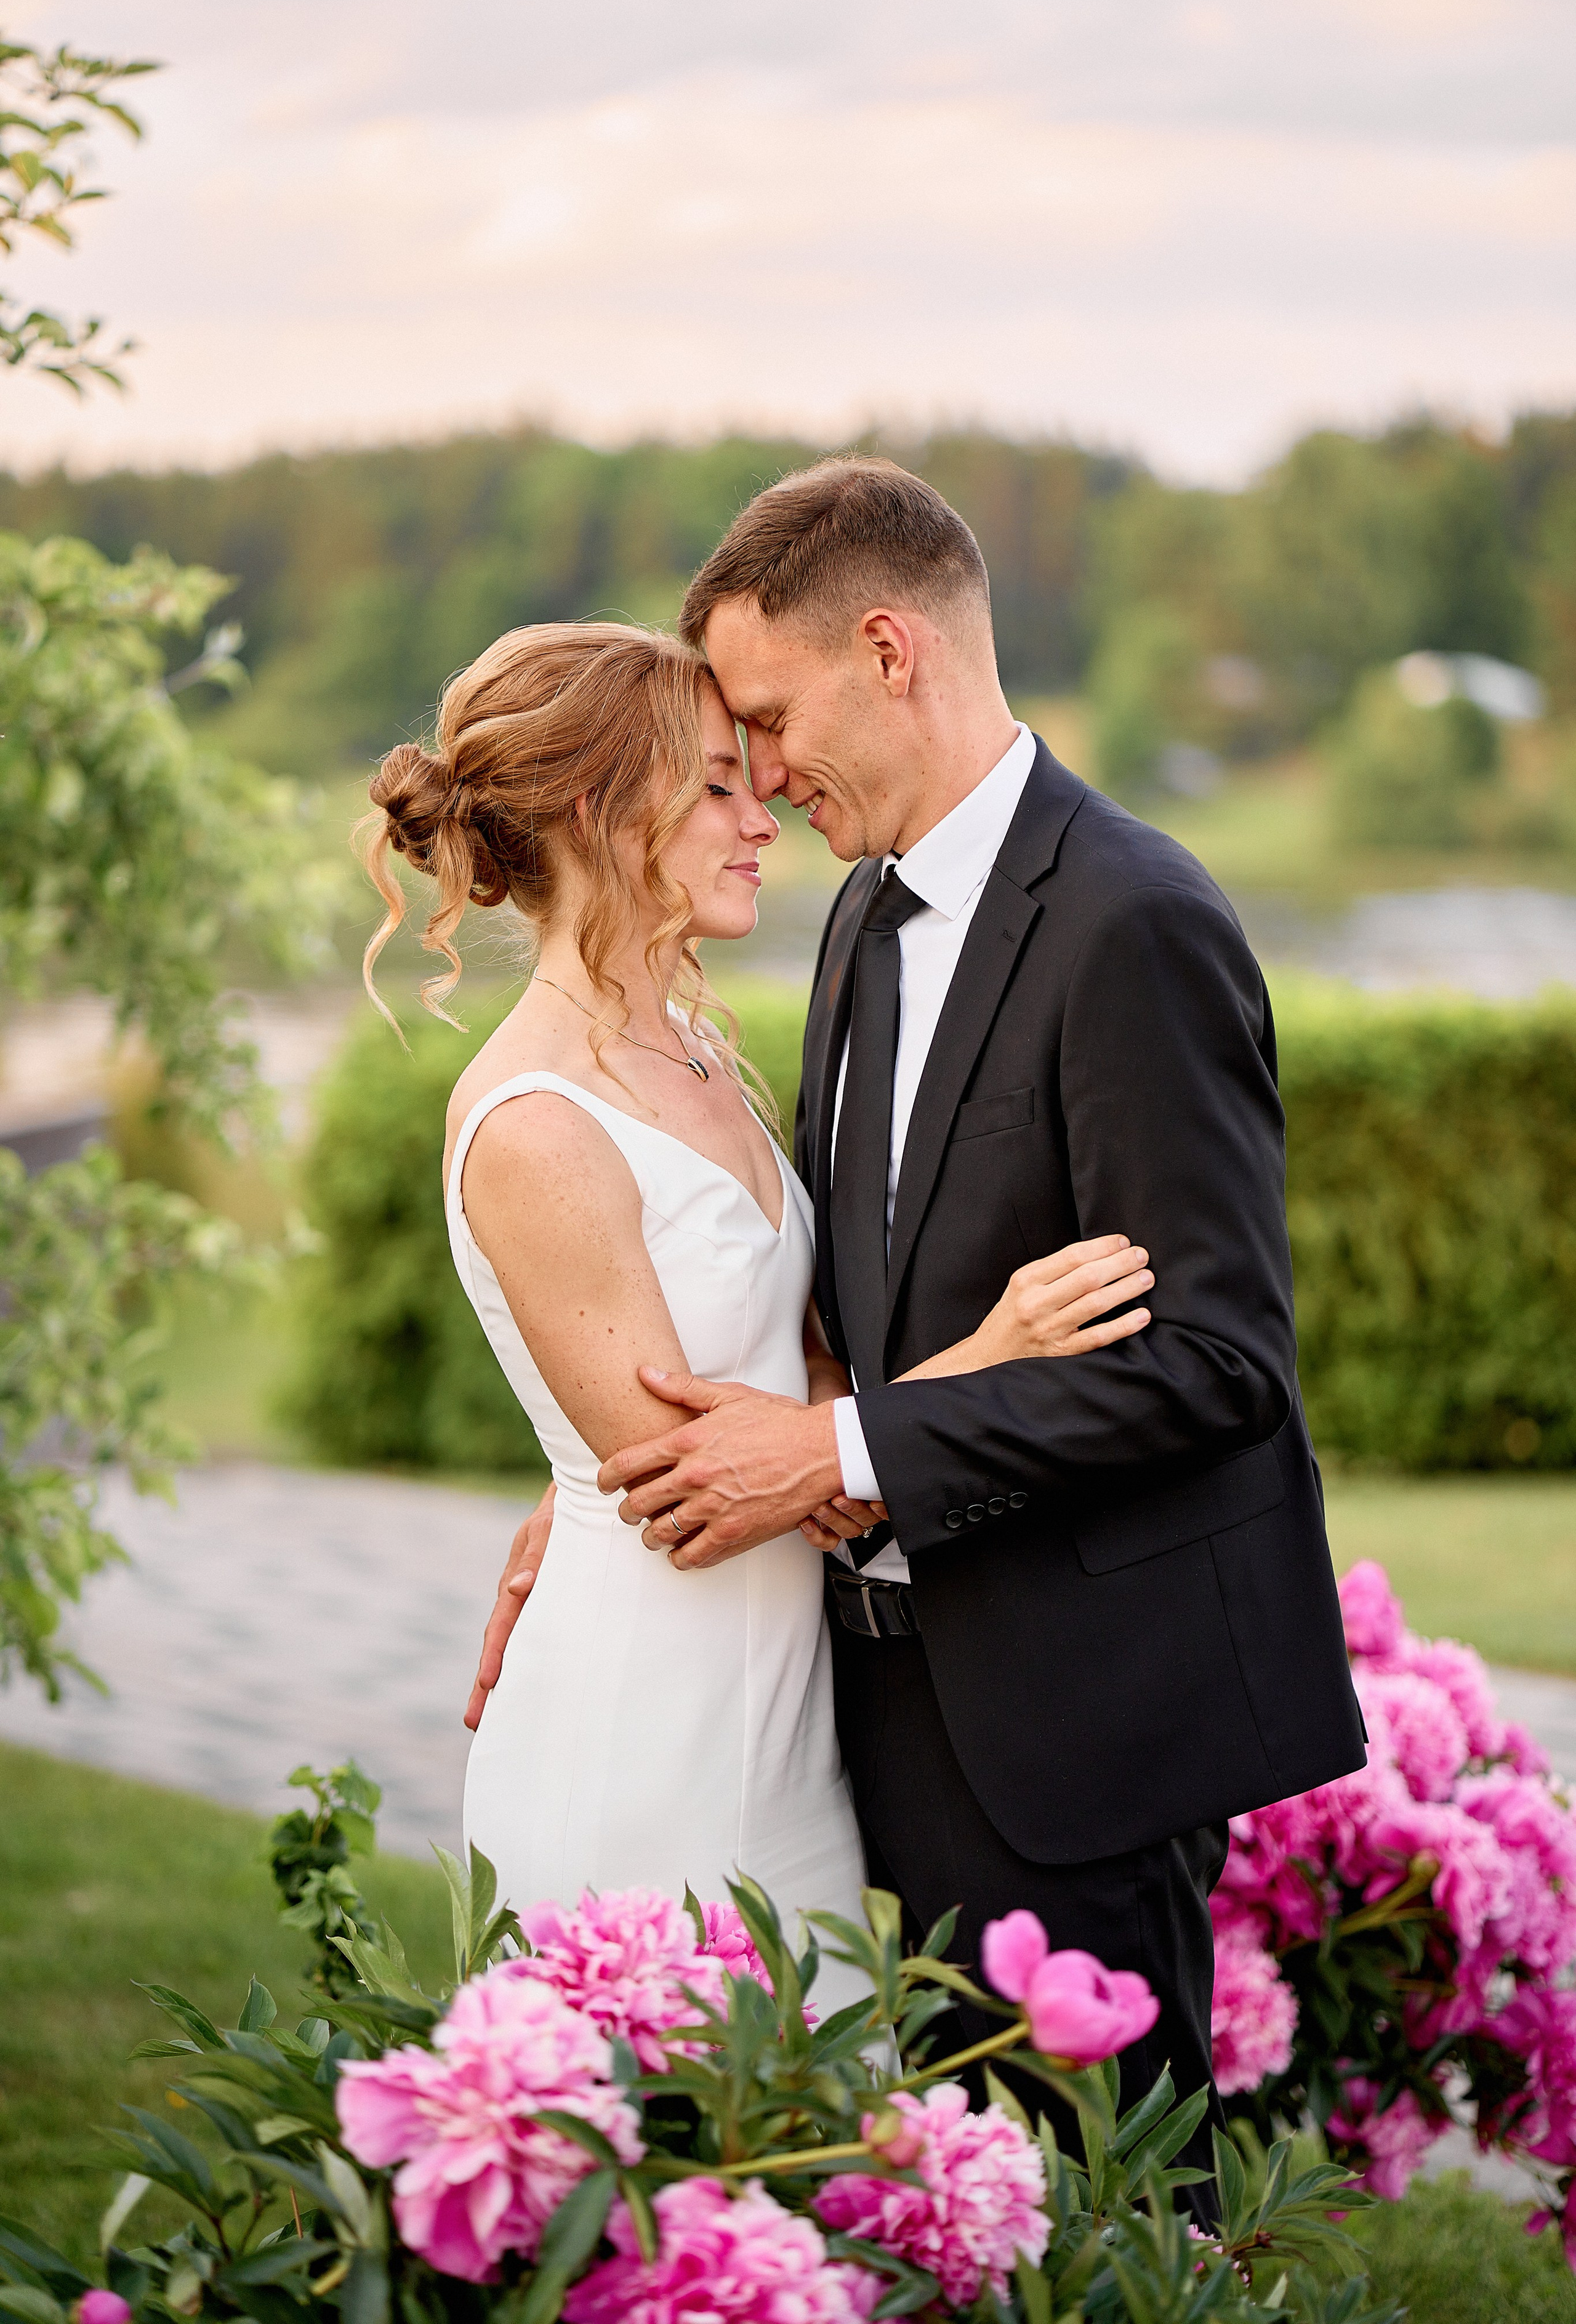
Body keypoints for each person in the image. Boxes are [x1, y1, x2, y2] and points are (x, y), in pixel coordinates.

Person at [488, 460, 1366, 2166]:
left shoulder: (1133, 921)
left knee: (1100, 2223)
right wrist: (589, 1476)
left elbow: (1216, 1364)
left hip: (1077, 1722)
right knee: (922, 2209)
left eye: (765, 719)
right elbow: (830, 1310)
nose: (758, 773)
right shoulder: (860, 922)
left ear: (888, 652)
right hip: (869, 1715)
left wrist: (837, 1451)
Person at [360, 619, 1154, 1988]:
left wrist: (839, 1430)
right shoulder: (537, 1123)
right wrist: (996, 1354)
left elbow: (797, 1367)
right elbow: (690, 1493)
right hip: (646, 1731)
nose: (761, 817)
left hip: (790, 1729)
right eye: (717, 786)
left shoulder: (696, 1053)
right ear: (600, 812)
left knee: (816, 2097)